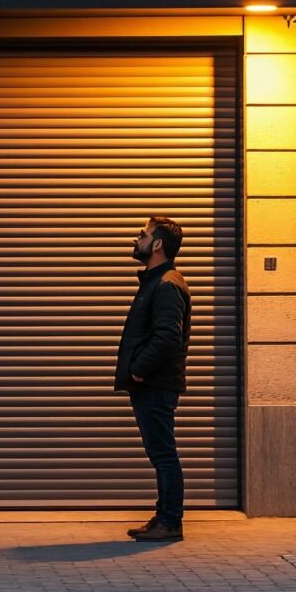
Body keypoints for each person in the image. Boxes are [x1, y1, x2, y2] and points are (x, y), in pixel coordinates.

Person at [115, 216, 191, 542]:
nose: (137, 238)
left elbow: (167, 338)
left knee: (163, 454)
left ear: (157, 244)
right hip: (152, 383)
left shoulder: (167, 285)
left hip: (156, 384)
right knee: (159, 452)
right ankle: (164, 516)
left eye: (143, 234)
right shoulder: (157, 281)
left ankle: (170, 522)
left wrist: (138, 370)